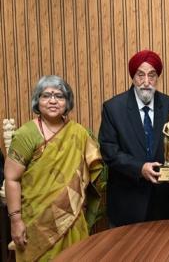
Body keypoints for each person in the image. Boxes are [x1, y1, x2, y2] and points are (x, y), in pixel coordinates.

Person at [4, 75, 104, 262]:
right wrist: (16, 220)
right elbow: (11, 179)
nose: (52, 101)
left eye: (59, 96)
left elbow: (93, 171)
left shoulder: (79, 133)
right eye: (46, 95)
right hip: (36, 221)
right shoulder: (26, 134)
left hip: (72, 219)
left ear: (67, 102)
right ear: (37, 100)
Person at [99, 50, 169, 227]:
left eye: (152, 75)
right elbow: (109, 151)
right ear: (133, 77)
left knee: (163, 253)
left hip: (162, 204)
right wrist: (139, 168)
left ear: (158, 77)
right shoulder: (113, 108)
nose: (146, 82)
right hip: (126, 203)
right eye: (140, 75)